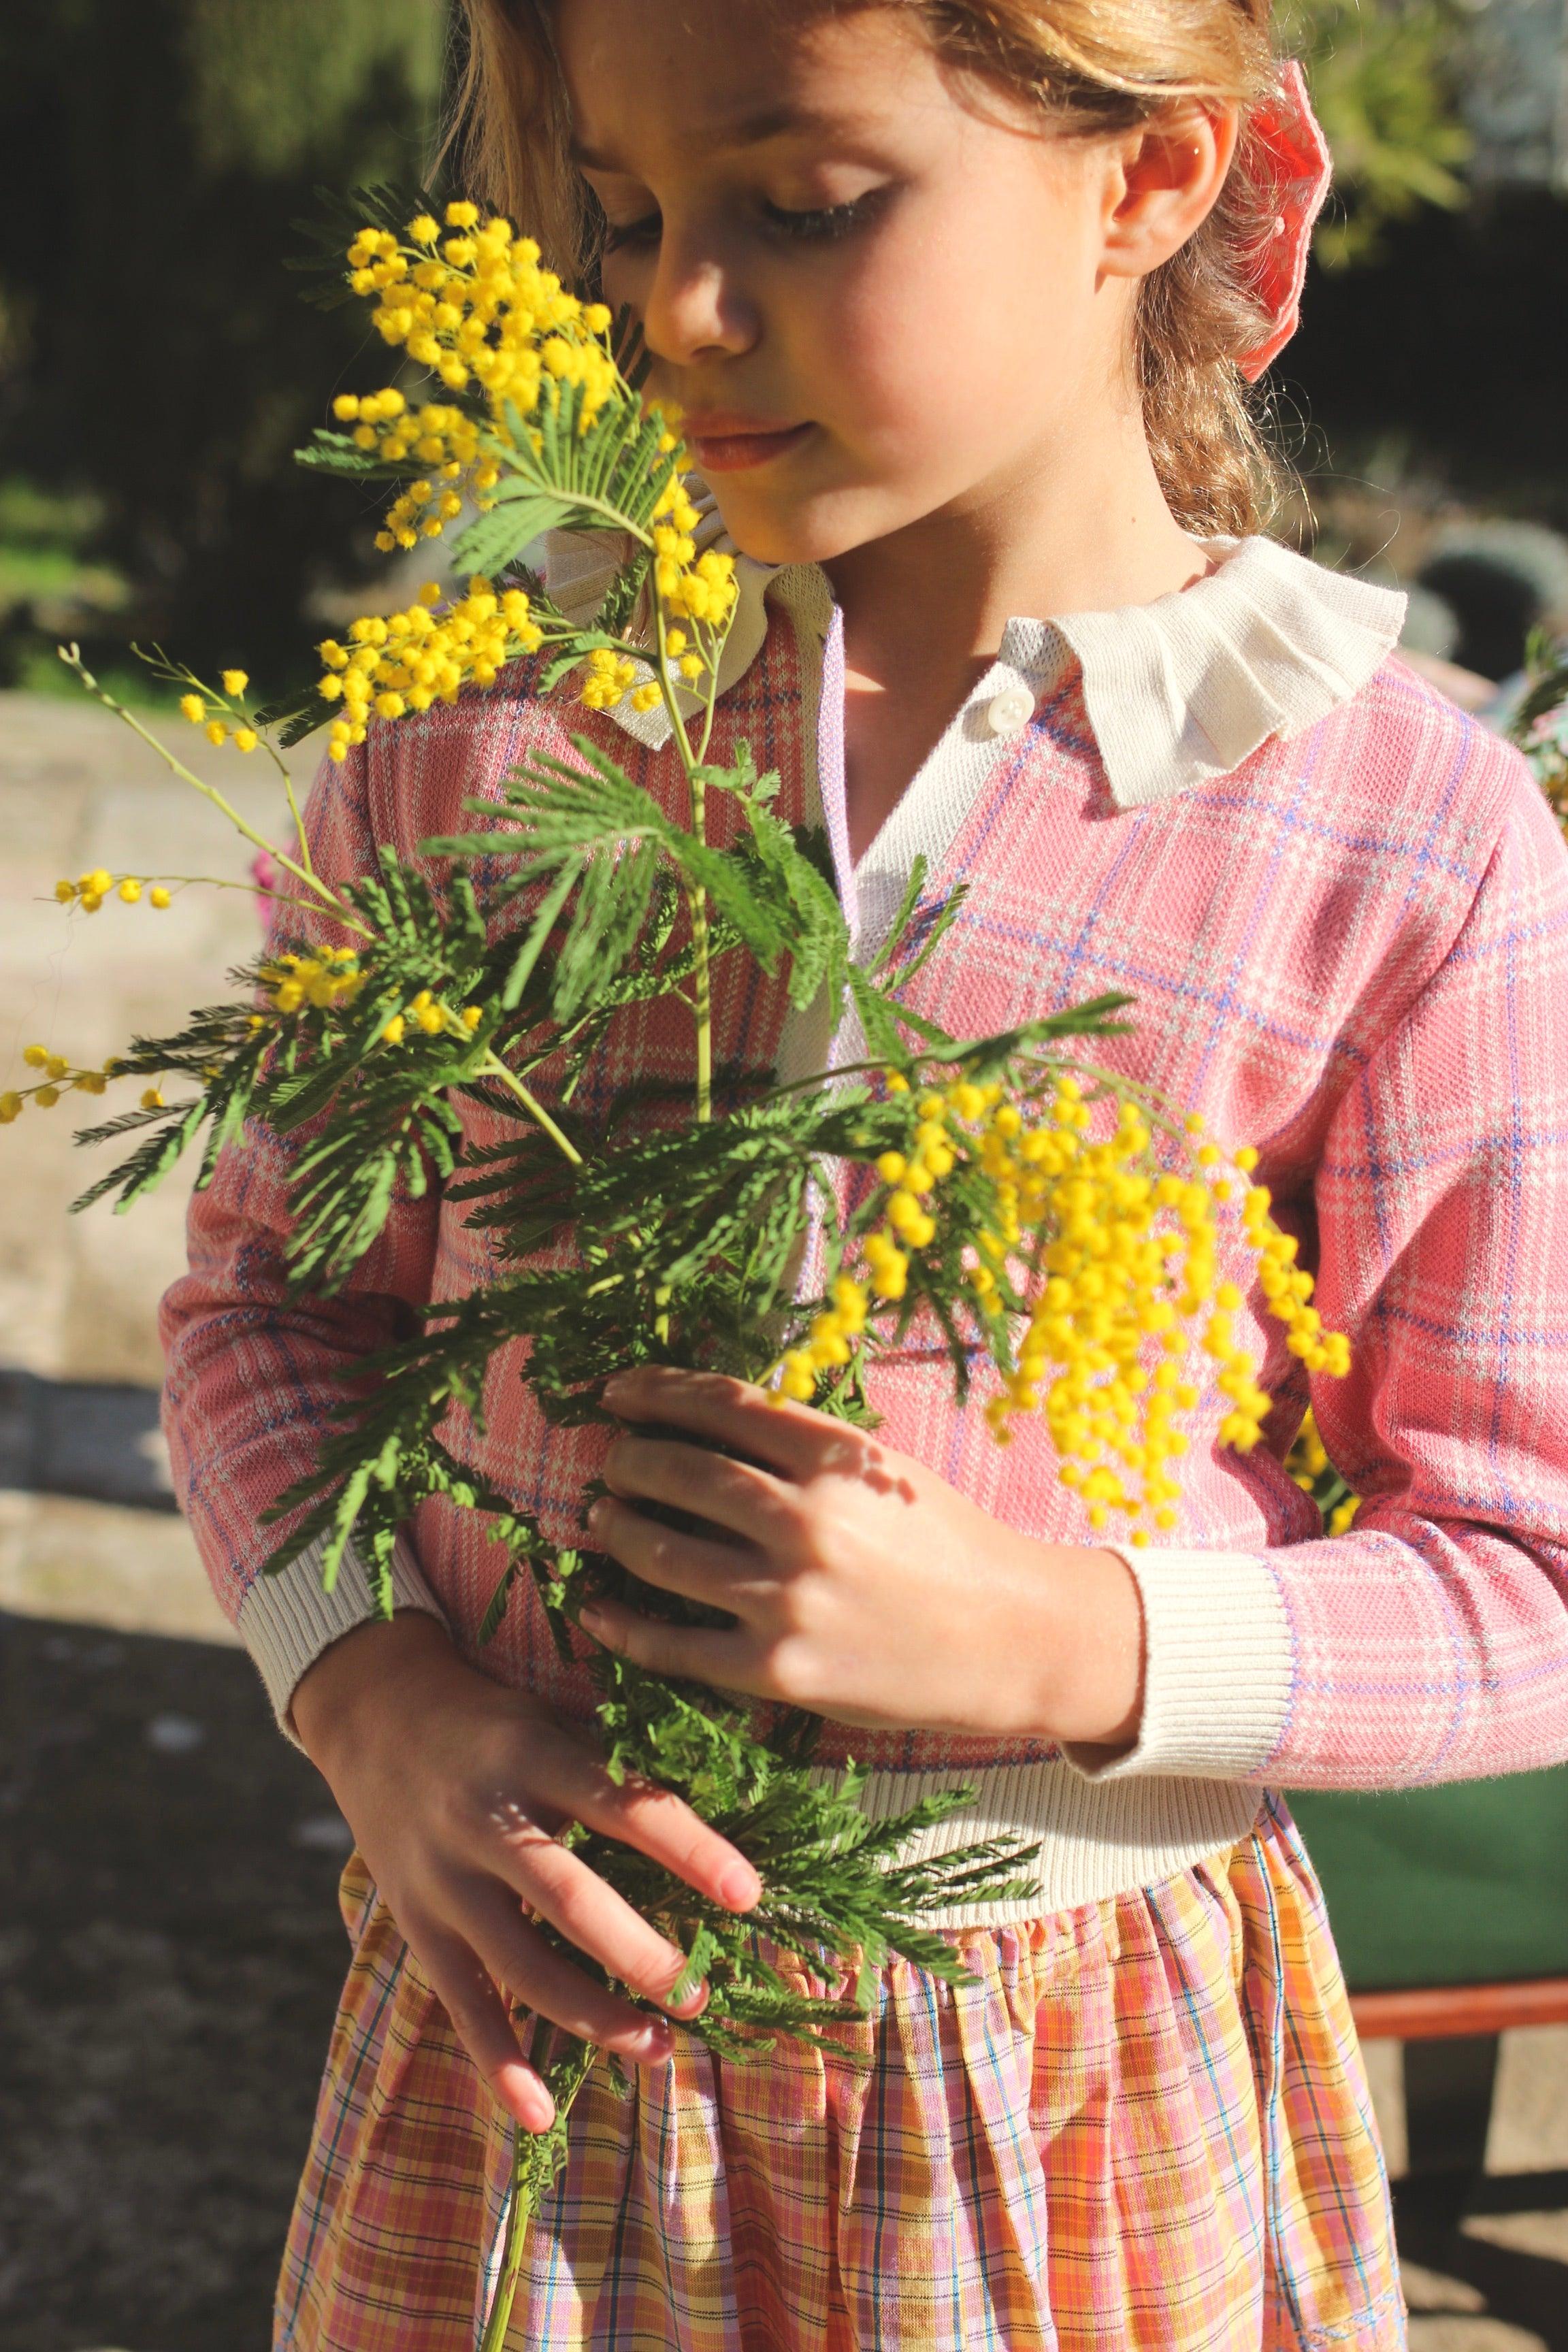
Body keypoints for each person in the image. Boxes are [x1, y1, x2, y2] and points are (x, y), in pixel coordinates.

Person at [160, 2, 1568, 2345]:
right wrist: (371, 1695)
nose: (676, 310)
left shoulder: (1401, 844)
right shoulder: (488, 752)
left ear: (1150, 181)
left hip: (1069, 2102)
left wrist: (1057, 1637)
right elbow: (260, 1315)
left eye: (805, 207)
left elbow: (1531, 1567)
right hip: (540, 2073)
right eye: (620, 220)